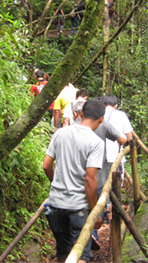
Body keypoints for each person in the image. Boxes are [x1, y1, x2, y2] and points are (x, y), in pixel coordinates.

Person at [42, 100, 105, 263]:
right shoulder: (96, 142)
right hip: (78, 207)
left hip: (55, 205)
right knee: (80, 255)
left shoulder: (60, 133)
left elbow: (46, 165)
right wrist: (95, 212)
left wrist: (55, 183)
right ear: (101, 119)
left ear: (81, 113)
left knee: (63, 253)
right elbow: (90, 179)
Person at [100, 95, 133, 184]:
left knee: (101, 185)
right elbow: (130, 138)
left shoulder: (97, 114)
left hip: (99, 157)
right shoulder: (121, 115)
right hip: (115, 156)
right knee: (116, 186)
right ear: (116, 105)